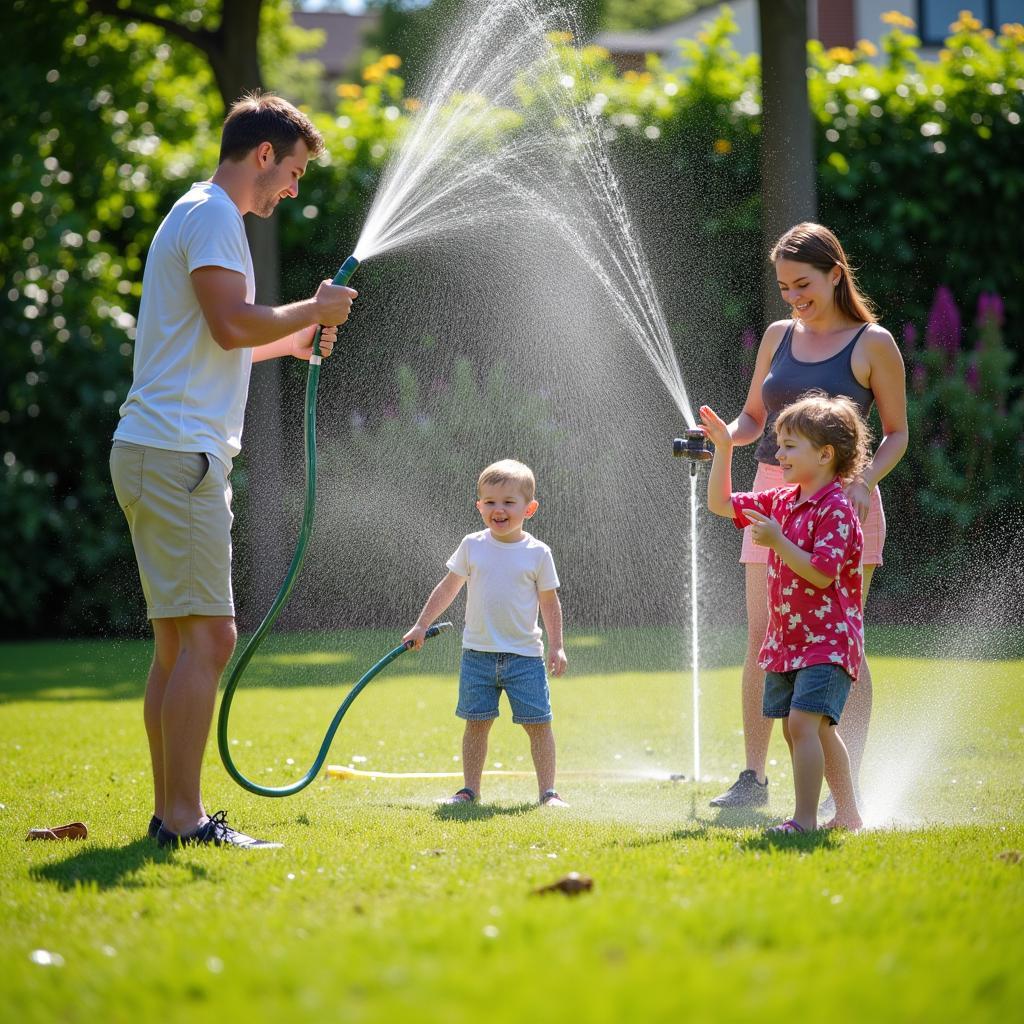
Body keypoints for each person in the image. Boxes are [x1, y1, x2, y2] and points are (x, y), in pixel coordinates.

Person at [110, 91, 358, 849]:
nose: (293, 188)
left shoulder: (194, 212)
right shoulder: (215, 214)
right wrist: (312, 312)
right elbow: (229, 321)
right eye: (293, 172)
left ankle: (170, 814)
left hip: (156, 449)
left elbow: (218, 339)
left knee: (179, 646)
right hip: (178, 452)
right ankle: (183, 819)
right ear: (262, 155)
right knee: (211, 639)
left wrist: (289, 342)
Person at [707, 223, 907, 812]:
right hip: (775, 495)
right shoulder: (777, 335)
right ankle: (752, 778)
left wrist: (864, 483)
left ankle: (845, 784)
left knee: (842, 642)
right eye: (785, 286)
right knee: (764, 634)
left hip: (847, 502)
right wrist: (723, 438)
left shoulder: (873, 343)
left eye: (804, 283)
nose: (794, 296)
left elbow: (896, 433)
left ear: (835, 274)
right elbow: (752, 420)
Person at [701, 392, 870, 832]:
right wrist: (723, 450)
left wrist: (778, 542)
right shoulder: (782, 499)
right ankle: (847, 815)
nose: (779, 454)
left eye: (790, 446)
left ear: (825, 453)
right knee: (808, 731)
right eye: (780, 444)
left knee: (802, 725)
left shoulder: (837, 509)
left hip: (827, 641)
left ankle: (805, 820)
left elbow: (821, 574)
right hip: (789, 641)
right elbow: (720, 504)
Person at [403, 459, 569, 807]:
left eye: (509, 502)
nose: (499, 509)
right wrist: (421, 624)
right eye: (490, 502)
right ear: (479, 506)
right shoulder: (472, 545)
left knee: (538, 725)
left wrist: (557, 647)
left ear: (530, 508)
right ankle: (469, 790)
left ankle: (548, 793)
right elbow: (447, 588)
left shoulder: (538, 553)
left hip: (525, 657)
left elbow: (550, 603)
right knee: (476, 723)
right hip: (477, 655)